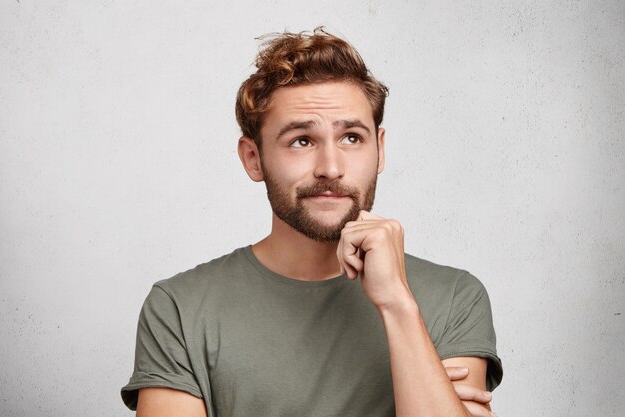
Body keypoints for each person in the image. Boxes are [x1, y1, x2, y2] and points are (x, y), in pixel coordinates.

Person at [121, 27, 503, 417]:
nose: (331, 168)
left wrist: (397, 306)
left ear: (380, 149)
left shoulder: (455, 297)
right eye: (302, 140)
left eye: (352, 138)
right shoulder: (180, 308)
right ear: (253, 158)